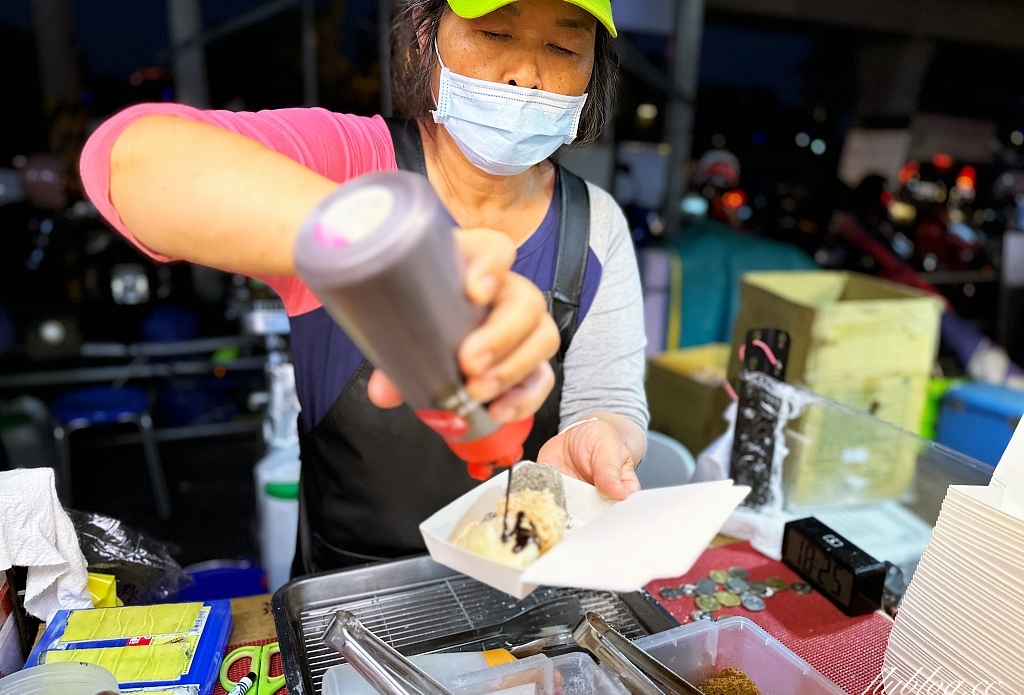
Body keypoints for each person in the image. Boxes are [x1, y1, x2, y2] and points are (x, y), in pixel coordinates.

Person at [80, 0, 648, 573]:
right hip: (348, 595)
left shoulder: (593, 222)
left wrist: (599, 437)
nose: (525, 73)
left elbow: (609, 403)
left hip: (521, 577)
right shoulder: (350, 163)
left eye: (563, 48)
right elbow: (129, 158)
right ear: (426, 36)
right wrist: (388, 254)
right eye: (494, 32)